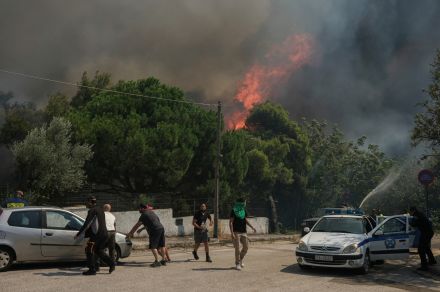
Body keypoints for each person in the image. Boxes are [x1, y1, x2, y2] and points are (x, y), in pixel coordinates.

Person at [74, 196, 115, 275]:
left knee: (89, 250)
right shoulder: (100, 209)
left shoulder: (92, 211)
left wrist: (79, 234)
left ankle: (92, 270)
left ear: (90, 202)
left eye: (86, 202)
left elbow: (87, 223)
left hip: (97, 235)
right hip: (104, 234)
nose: (86, 204)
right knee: (98, 251)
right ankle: (111, 264)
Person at [229, 198, 256, 270]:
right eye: (244, 202)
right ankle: (237, 264)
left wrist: (252, 227)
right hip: (236, 232)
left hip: (244, 232)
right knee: (237, 248)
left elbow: (245, 220)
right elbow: (231, 222)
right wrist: (232, 233)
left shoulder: (243, 210)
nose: (245, 203)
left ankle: (240, 259)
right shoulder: (234, 210)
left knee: (246, 247)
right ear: (240, 203)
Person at [409, 206, 436, 271]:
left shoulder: (417, 215)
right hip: (428, 232)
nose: (410, 213)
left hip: (426, 233)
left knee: (421, 249)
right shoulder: (419, 213)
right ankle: (432, 260)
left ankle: (424, 266)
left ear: (413, 211)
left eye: (410, 212)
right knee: (426, 247)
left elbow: (415, 224)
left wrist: (410, 222)